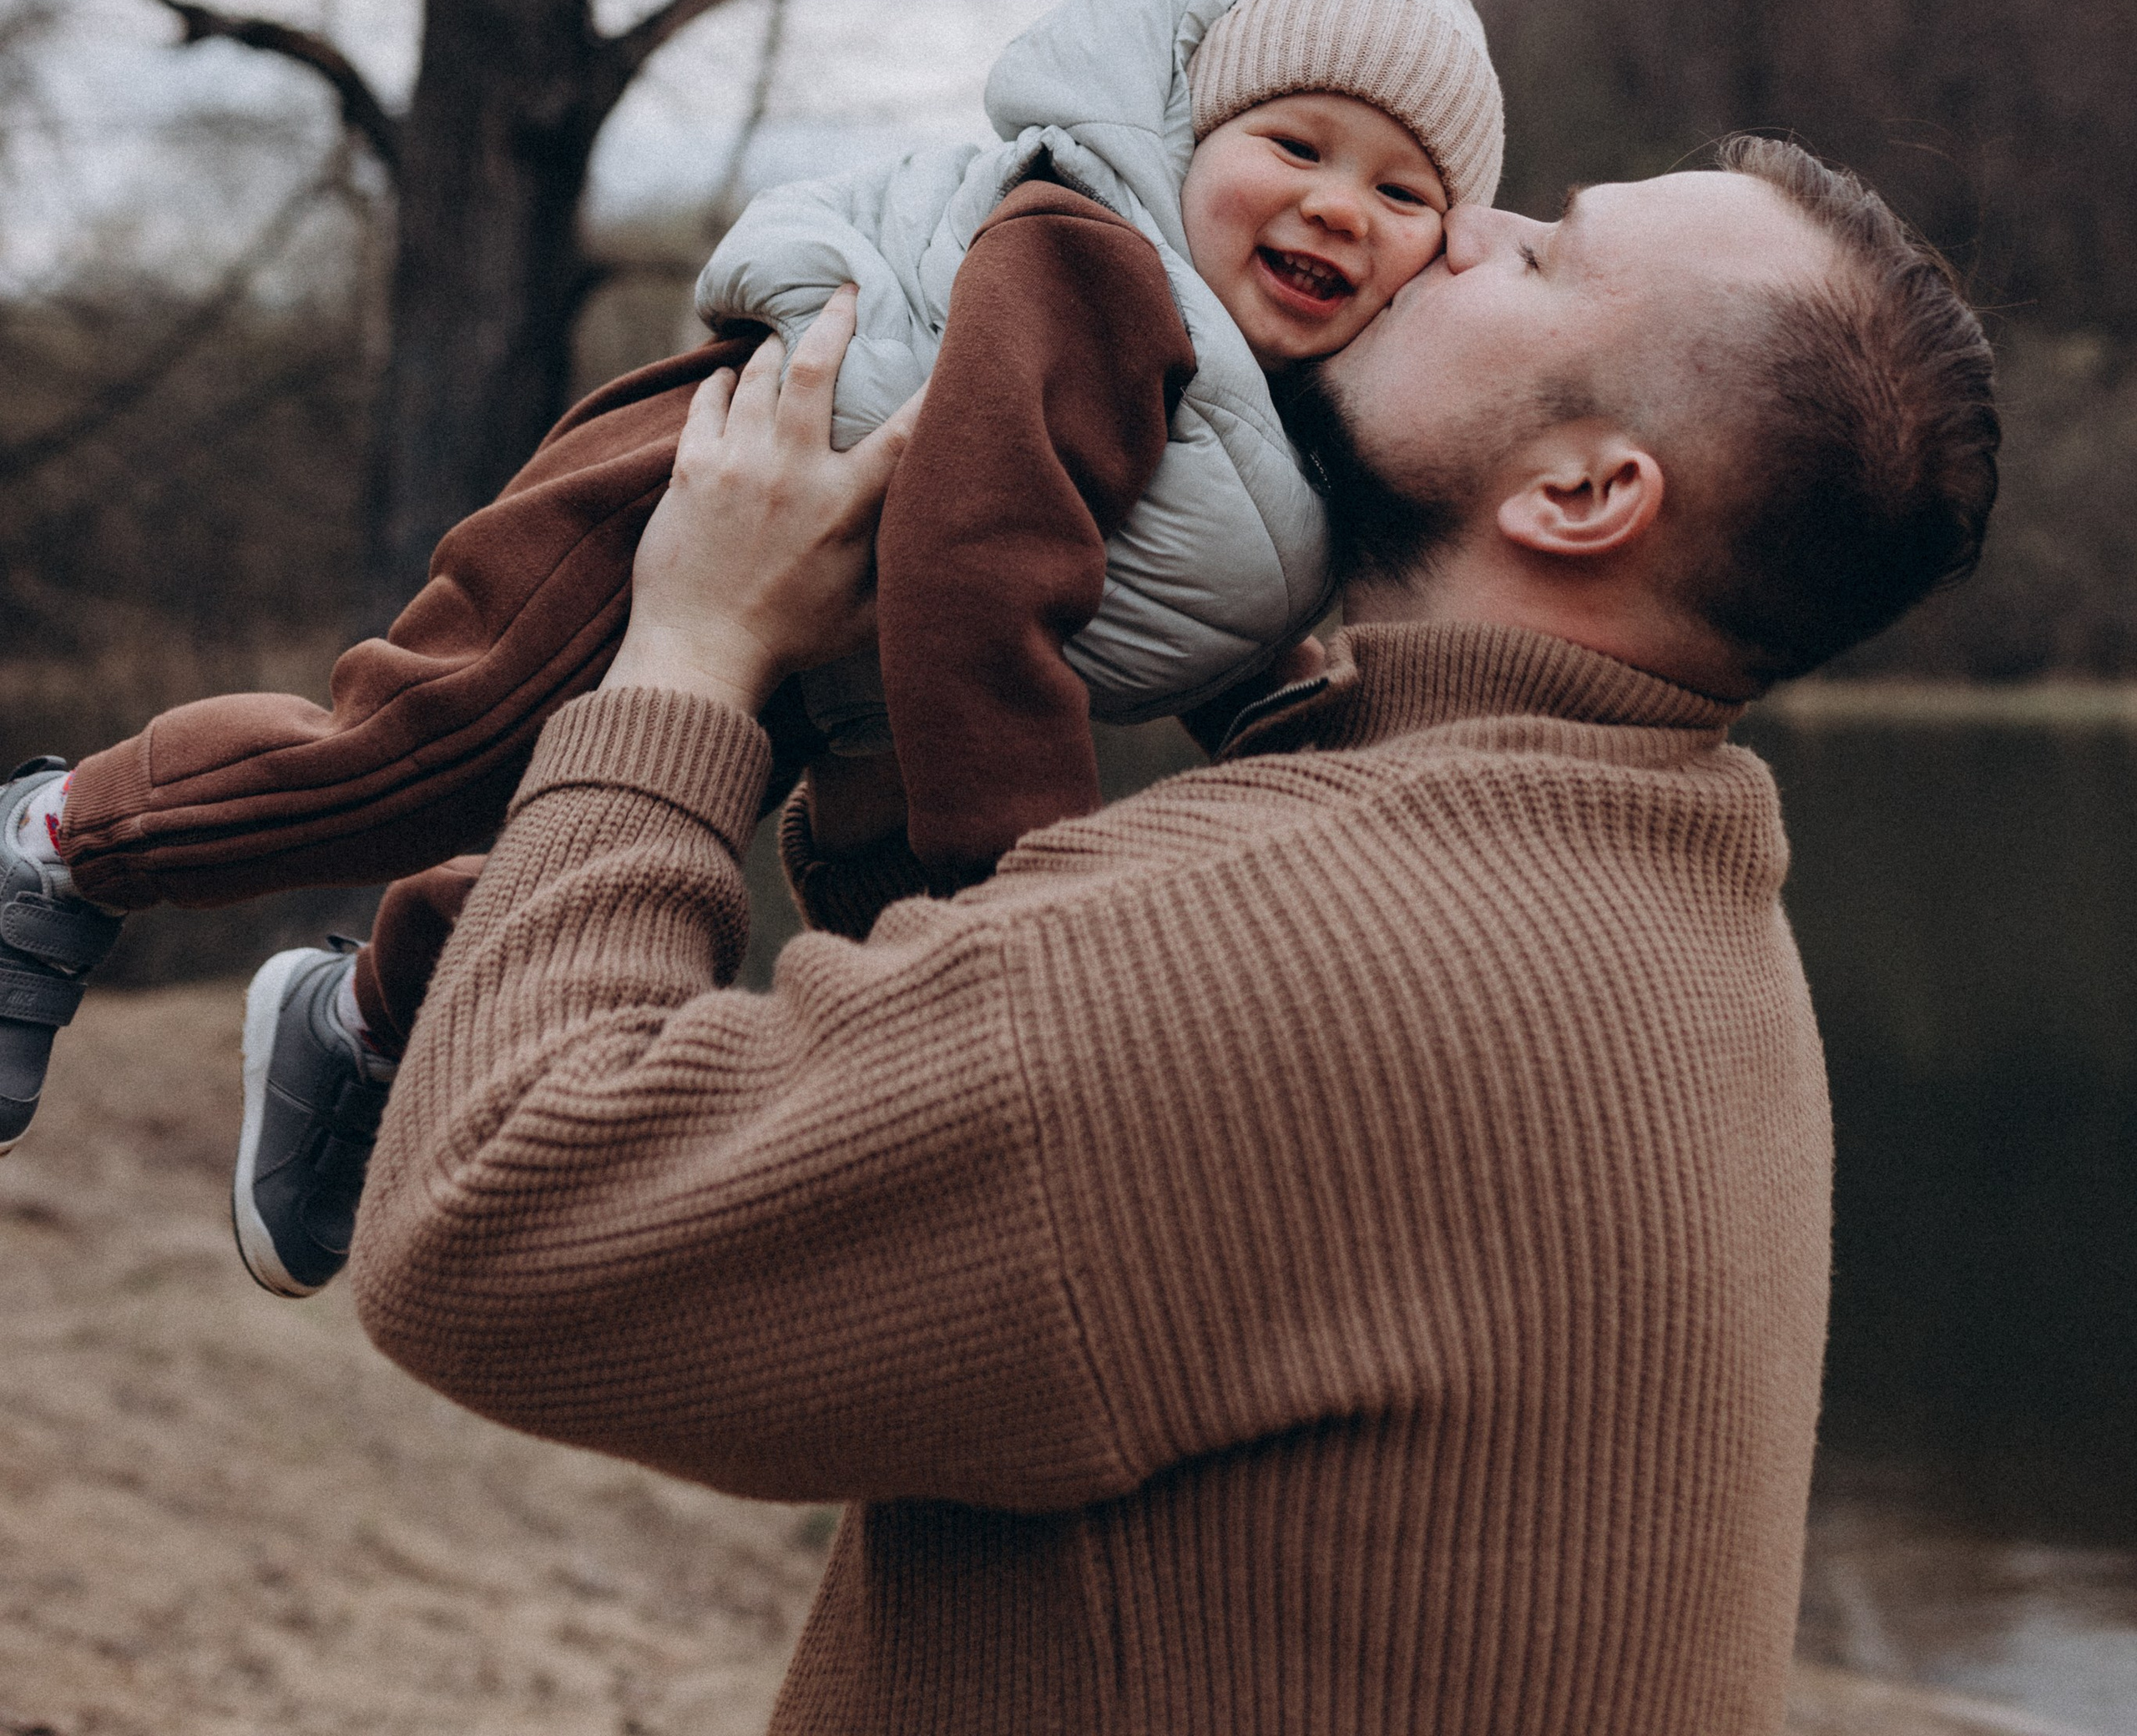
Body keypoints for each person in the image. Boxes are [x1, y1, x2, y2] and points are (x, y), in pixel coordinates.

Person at [348, 134, 1998, 1736]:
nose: (1466, 224)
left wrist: (689, 655)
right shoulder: (1660, 877)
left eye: (1549, 255)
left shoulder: (1308, 945)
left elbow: (497, 1220)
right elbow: (1040, 1112)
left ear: (1581, 491)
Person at [0, 0, 1499, 1289]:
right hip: (692, 485)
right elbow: (989, 553)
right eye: (1296, 146)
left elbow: (1202, 582)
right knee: (422, 751)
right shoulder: (1096, 261)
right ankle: (63, 843)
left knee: (663, 888)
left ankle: (363, 1025)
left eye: (1402, 191)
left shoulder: (1298, 420)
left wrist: (1304, 727)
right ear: (1193, 140)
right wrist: (1028, 892)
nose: (1338, 206)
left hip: (841, 631)